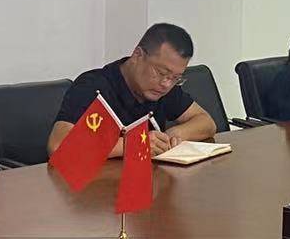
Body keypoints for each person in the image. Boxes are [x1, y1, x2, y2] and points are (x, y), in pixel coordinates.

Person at [48, 22, 217, 155]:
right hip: (94, 185)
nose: (166, 84)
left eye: (176, 78)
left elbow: (206, 122)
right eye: (161, 72)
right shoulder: (93, 86)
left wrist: (173, 135)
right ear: (137, 55)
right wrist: (133, 144)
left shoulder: (164, 87)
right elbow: (58, 146)